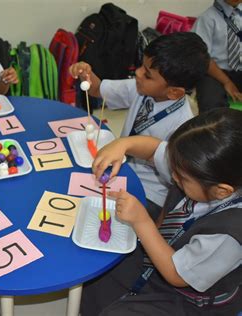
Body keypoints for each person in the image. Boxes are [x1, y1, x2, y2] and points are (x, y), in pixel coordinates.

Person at [82, 108, 242, 315]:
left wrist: (142, 222)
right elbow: (153, 150)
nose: (173, 176)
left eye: (181, 178)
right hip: (159, 255)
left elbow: (176, 274)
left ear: (221, 191)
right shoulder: (196, 170)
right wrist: (123, 144)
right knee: (97, 268)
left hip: (188, 298)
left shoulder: (230, 234)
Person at [68, 32, 210, 220]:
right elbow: (96, 89)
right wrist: (85, 73)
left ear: (174, 92)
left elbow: (175, 178)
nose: (138, 73)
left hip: (149, 192)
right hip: (118, 168)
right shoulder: (140, 87)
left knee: (92, 215)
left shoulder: (183, 127)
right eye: (142, 66)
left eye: (148, 74)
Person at [192, 0, 242, 113]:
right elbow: (201, 56)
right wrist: (227, 82)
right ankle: (218, 127)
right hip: (215, 72)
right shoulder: (207, 19)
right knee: (211, 103)